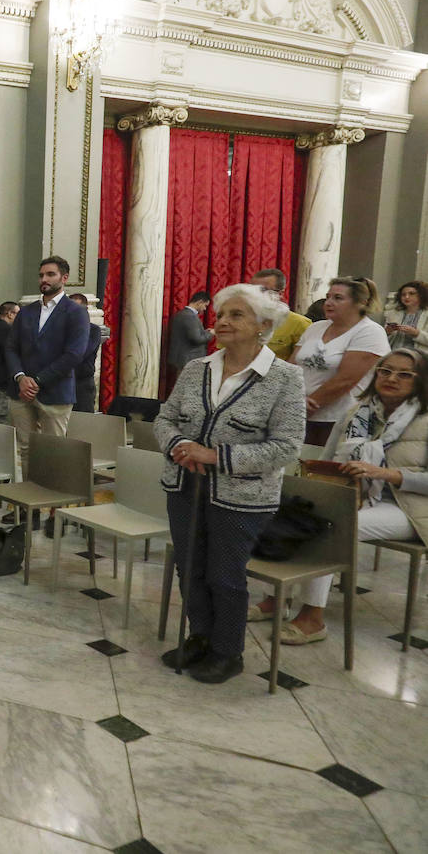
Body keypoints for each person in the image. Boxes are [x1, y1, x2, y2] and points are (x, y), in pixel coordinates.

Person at [154, 284, 305, 684]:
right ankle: (200, 636)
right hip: (185, 487)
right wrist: (180, 445)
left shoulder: (285, 378)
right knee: (190, 568)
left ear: (264, 325)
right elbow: (164, 418)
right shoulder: (196, 369)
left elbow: (287, 447)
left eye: (236, 315)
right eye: (221, 314)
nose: (221, 321)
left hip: (243, 496)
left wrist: (216, 456)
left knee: (224, 573)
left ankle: (227, 651)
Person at [252, 348, 428, 644]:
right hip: (354, 496)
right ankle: (275, 600)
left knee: (335, 525)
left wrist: (388, 474)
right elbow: (328, 457)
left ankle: (313, 617)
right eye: (385, 371)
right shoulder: (359, 411)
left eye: (404, 374)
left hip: (407, 506)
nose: (392, 379)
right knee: (288, 513)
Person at [4, 256, 90, 531]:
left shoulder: (75, 312)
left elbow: (74, 354)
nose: (44, 279)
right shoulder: (27, 312)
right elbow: (10, 348)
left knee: (54, 452)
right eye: (41, 274)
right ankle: (32, 506)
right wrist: (20, 377)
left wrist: (37, 380)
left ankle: (56, 511)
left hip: (55, 391)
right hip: (21, 391)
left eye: (50, 274)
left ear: (64, 278)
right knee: (27, 450)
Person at [294, 276, 391, 446]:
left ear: (360, 303)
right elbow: (291, 366)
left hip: (341, 418)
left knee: (325, 468)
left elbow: (345, 379)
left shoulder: (370, 332)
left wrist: (304, 406)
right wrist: (290, 401)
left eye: (338, 298)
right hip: (300, 412)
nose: (328, 302)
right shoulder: (315, 327)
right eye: (328, 296)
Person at [250, 268, 311, 361]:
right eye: (252, 290)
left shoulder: (299, 323)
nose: (255, 295)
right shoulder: (239, 319)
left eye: (263, 290)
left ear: (280, 293)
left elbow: (300, 363)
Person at [68, 293, 101, 412]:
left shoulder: (93, 330)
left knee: (83, 424)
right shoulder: (61, 329)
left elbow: (80, 353)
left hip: (82, 384)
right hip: (62, 383)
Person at [168, 291, 214, 374]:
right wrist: (211, 333)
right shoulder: (189, 316)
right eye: (205, 305)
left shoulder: (182, 314)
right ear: (200, 302)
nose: (205, 309)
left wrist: (204, 332)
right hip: (188, 359)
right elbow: (196, 339)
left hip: (182, 358)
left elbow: (186, 336)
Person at [385, 281, 428, 354]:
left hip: (418, 356)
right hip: (393, 353)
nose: (406, 297)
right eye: (403, 294)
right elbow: (384, 338)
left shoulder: (426, 314)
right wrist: (387, 332)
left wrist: (416, 333)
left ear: (421, 295)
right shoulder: (393, 313)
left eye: (411, 294)